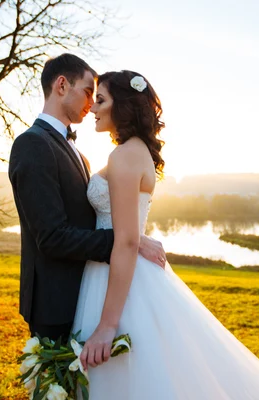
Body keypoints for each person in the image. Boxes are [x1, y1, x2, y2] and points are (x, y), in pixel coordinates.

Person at [72, 70, 259, 399]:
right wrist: (139, 242)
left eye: (100, 100)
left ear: (122, 105)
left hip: (117, 278)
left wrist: (108, 324)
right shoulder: (137, 152)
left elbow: (125, 240)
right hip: (122, 269)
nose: (93, 109)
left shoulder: (123, 156)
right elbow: (129, 233)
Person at [8, 54, 167, 344]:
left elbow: (88, 216)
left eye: (98, 98)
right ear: (61, 85)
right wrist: (126, 239)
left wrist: (130, 237)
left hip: (88, 290)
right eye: (87, 91)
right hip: (54, 302)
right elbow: (52, 236)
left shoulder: (80, 154)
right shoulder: (32, 144)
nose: (90, 103)